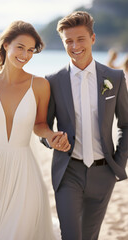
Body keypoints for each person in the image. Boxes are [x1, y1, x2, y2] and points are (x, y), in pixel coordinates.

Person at [0, 20, 70, 240]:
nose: (26, 55)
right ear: (6, 44)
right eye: (21, 47)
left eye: (30, 50)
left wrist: (51, 136)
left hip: (23, 169)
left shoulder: (39, 85)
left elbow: (40, 125)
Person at [39, 11, 128, 240]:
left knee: (90, 236)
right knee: (70, 235)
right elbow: (43, 126)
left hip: (104, 172)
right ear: (63, 43)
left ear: (93, 39)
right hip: (68, 172)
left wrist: (117, 163)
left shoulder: (115, 78)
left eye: (80, 39)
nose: (75, 45)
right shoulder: (53, 81)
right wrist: (51, 139)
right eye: (69, 41)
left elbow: (126, 124)